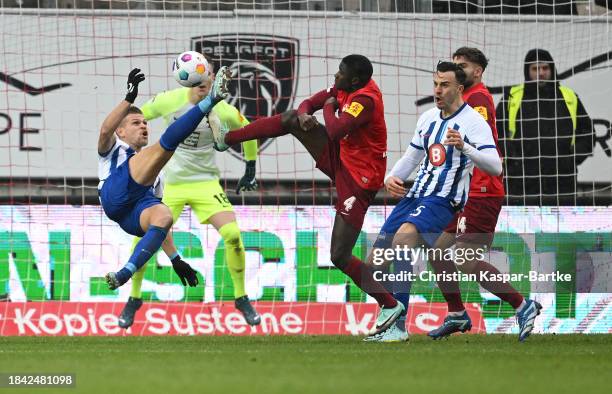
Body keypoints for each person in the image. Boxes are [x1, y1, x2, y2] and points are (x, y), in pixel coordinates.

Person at [211, 54, 404, 335]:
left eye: (340, 74)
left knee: (339, 255)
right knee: (291, 118)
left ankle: (390, 305)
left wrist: (326, 109)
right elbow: (309, 104)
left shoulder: (365, 99)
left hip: (360, 180)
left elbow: (336, 129)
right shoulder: (345, 87)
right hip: (343, 159)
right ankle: (226, 139)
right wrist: (305, 114)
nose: (335, 77)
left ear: (355, 80)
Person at [365, 61, 504, 342]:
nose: (438, 90)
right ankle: (391, 309)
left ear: (459, 88)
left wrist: (465, 146)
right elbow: (413, 156)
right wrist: (392, 177)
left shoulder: (473, 122)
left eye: (444, 85)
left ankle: (399, 325)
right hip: (415, 194)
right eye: (436, 84)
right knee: (372, 265)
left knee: (403, 240)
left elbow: (495, 166)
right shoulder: (428, 117)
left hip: (444, 199)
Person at [117, 62, 261, 328]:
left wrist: (250, 167)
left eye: (207, 77)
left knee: (232, 235)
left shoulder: (223, 110)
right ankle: (134, 298)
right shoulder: (169, 101)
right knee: (144, 239)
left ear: (212, 80)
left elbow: (250, 131)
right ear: (186, 81)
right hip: (169, 183)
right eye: (198, 79)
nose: (203, 82)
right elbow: (134, 117)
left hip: (205, 183)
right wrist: (126, 150)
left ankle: (240, 296)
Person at [426, 48, 541, 342]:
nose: (457, 68)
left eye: (463, 65)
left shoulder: (477, 100)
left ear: (477, 72)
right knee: (438, 248)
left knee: (464, 259)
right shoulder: (462, 99)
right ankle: (456, 314)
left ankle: (522, 305)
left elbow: (475, 145)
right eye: (456, 64)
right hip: (462, 191)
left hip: (481, 190)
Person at [98, 67, 230, 291]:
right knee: (165, 146)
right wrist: (129, 98)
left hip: (131, 217)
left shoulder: (156, 175)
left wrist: (175, 259)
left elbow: (160, 223)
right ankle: (209, 101)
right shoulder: (113, 149)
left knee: (165, 214)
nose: (143, 126)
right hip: (114, 196)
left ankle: (124, 273)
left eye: (145, 122)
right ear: (120, 132)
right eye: (135, 123)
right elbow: (104, 131)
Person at [496, 48, 594, 204]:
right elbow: (496, 132)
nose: (541, 73)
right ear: (527, 71)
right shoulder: (512, 96)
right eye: (535, 68)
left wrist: (571, 158)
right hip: (520, 180)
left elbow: (588, 133)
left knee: (562, 227)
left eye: (545, 68)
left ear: (552, 69)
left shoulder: (569, 96)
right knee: (521, 227)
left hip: (562, 179)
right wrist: (512, 158)